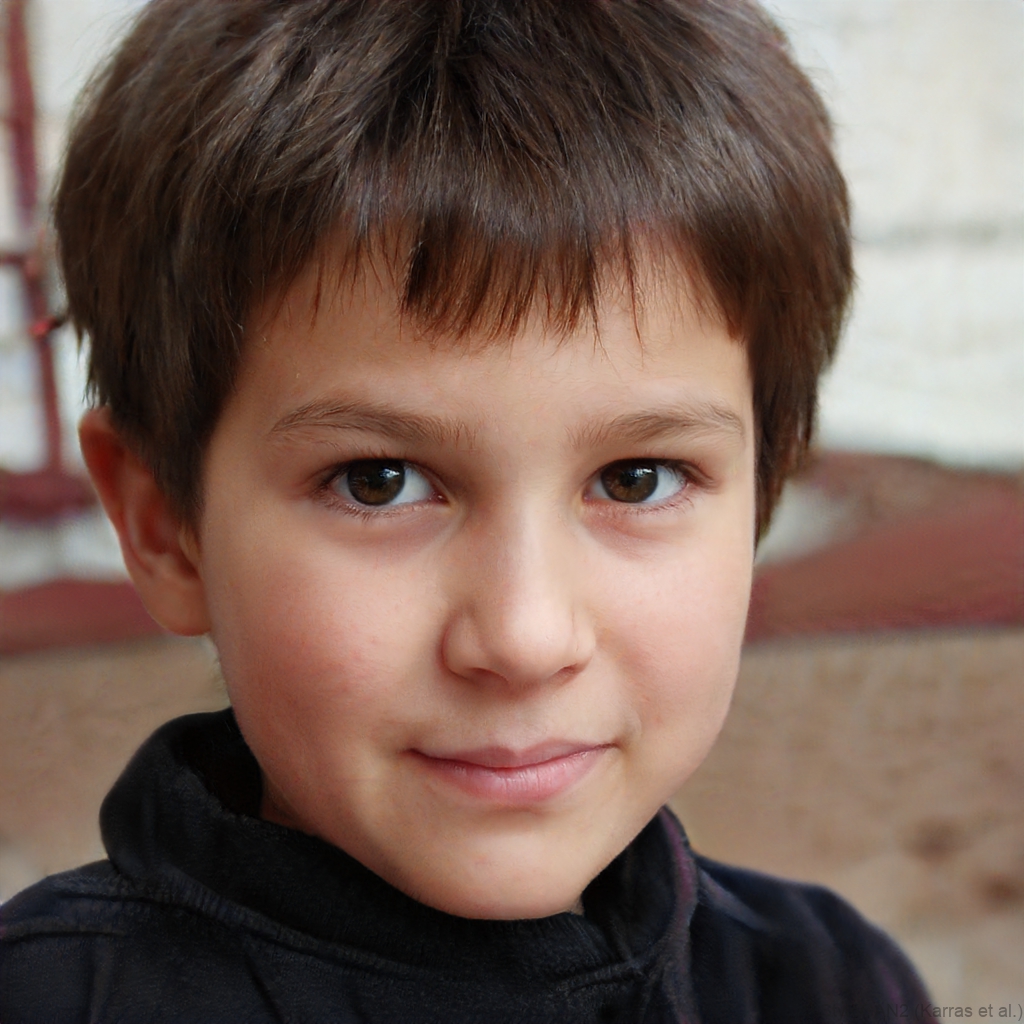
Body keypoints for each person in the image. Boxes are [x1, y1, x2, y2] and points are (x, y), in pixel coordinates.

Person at [0, 0, 931, 1020]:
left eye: (636, 478)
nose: (525, 638)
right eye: (379, 482)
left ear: (763, 489)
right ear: (162, 526)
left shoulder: (831, 986)